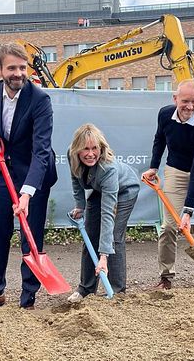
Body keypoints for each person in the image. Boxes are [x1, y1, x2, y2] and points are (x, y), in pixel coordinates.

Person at [0, 42, 57, 311]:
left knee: (30, 237)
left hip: (35, 173)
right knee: (0, 233)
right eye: (12, 68)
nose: (18, 73)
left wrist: (27, 193)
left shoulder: (40, 99)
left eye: (22, 67)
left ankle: (28, 299)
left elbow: (42, 151)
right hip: (3, 171)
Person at [142, 80, 194, 290]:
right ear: (175, 99)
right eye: (185, 101)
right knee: (168, 226)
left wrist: (188, 211)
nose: (189, 106)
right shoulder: (165, 114)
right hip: (176, 171)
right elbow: (159, 139)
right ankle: (166, 278)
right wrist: (153, 166)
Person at [66, 123, 140, 303]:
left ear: (101, 148)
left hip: (124, 191)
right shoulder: (72, 154)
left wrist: (104, 257)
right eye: (85, 149)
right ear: (77, 149)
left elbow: (107, 214)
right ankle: (85, 289)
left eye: (94, 148)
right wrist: (80, 205)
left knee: (113, 236)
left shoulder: (109, 168)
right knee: (90, 236)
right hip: (98, 190)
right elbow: (76, 180)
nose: (90, 153)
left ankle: (116, 291)